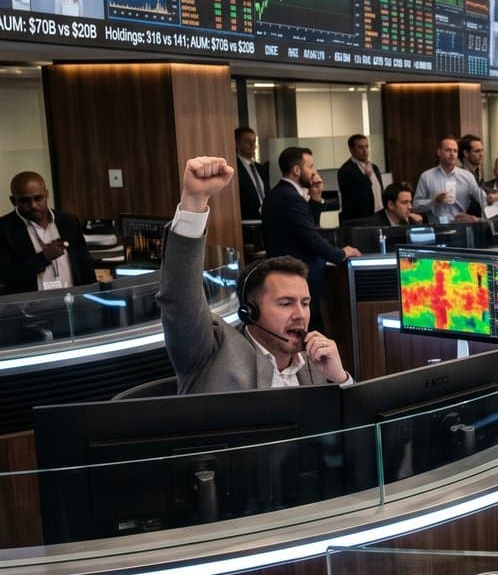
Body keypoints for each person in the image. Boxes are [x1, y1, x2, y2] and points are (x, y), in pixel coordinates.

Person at [159, 157, 351, 392]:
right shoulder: (213, 350)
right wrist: (194, 202)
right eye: (285, 303)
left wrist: (341, 380)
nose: (300, 315)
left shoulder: (314, 361)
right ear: (250, 311)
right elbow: (180, 297)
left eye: (305, 303)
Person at [262, 146, 361, 327]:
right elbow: (310, 239)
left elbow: (307, 227)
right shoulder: (291, 197)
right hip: (298, 273)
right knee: (310, 327)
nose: (314, 172)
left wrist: (315, 199)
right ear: (297, 170)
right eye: (311, 166)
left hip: (287, 272)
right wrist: (341, 254)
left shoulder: (280, 194)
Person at [0, 172, 93, 294]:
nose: (33, 205)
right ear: (13, 201)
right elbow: (5, 277)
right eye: (25, 201)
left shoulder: (68, 221)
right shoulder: (0, 229)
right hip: (30, 307)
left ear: (47, 195)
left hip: (72, 301)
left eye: (38, 198)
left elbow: (86, 267)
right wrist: (43, 258)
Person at [413, 135, 485, 224]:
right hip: (436, 228)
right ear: (439, 152)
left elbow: (483, 200)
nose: (452, 154)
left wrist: (477, 219)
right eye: (448, 150)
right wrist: (433, 201)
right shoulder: (426, 176)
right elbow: (416, 206)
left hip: (460, 227)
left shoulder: (467, 177)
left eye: (455, 151)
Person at [337, 134, 386, 223]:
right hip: (359, 219)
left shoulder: (374, 167)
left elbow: (379, 190)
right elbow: (352, 197)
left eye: (366, 146)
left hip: (379, 215)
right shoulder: (345, 170)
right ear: (351, 150)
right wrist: (366, 177)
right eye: (360, 147)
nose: (365, 151)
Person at [234, 126, 269, 221]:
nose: (252, 145)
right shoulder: (234, 167)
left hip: (266, 219)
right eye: (247, 141)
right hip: (246, 221)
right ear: (236, 143)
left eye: (254, 141)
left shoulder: (260, 168)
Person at [354, 185, 421, 228]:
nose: (410, 207)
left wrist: (418, 227)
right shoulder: (373, 226)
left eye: (410, 202)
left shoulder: (409, 221)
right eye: (404, 202)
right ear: (391, 205)